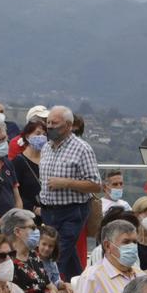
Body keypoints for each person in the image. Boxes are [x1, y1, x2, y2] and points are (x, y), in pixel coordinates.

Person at [35, 106, 101, 280]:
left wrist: (66, 183)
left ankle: (46, 288)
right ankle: (80, 285)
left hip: (72, 211)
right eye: (48, 122)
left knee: (56, 254)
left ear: (68, 125)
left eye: (54, 123)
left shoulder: (82, 149)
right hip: (49, 211)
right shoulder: (46, 148)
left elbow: (95, 184)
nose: (49, 127)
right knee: (69, 256)